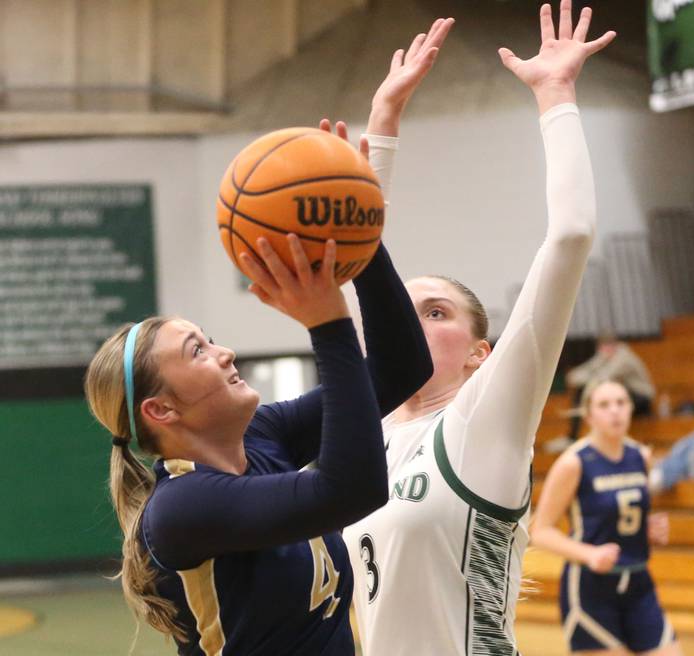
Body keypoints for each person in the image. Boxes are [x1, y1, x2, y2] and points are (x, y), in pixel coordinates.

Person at [84, 123, 434, 652]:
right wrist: (327, 323)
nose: (224, 352)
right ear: (161, 409)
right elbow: (352, 489)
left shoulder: (262, 436)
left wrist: (357, 230)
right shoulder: (182, 509)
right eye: (197, 351)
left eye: (211, 339)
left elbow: (401, 369)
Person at [343, 3, 616, 653]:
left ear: (479, 354)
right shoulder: (368, 437)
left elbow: (571, 234)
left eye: (436, 314)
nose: (410, 325)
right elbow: (361, 275)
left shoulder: (481, 421)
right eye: (404, 312)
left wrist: (556, 95)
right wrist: (382, 124)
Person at [531, 380, 681, 655]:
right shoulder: (574, 462)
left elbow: (622, 516)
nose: (615, 411)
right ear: (588, 416)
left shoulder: (640, 456)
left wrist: (646, 531)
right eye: (604, 405)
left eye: (621, 403)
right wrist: (589, 554)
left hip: (638, 582)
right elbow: (540, 531)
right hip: (591, 589)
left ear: (632, 408)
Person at [562, 333, 655, 444]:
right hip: (625, 394)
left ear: (614, 346)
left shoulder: (623, 357)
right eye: (601, 349)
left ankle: (578, 435)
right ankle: (574, 436)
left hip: (641, 396)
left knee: (603, 393)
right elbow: (576, 375)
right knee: (586, 391)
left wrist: (584, 378)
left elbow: (604, 377)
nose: (603, 352)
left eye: (606, 348)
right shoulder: (604, 354)